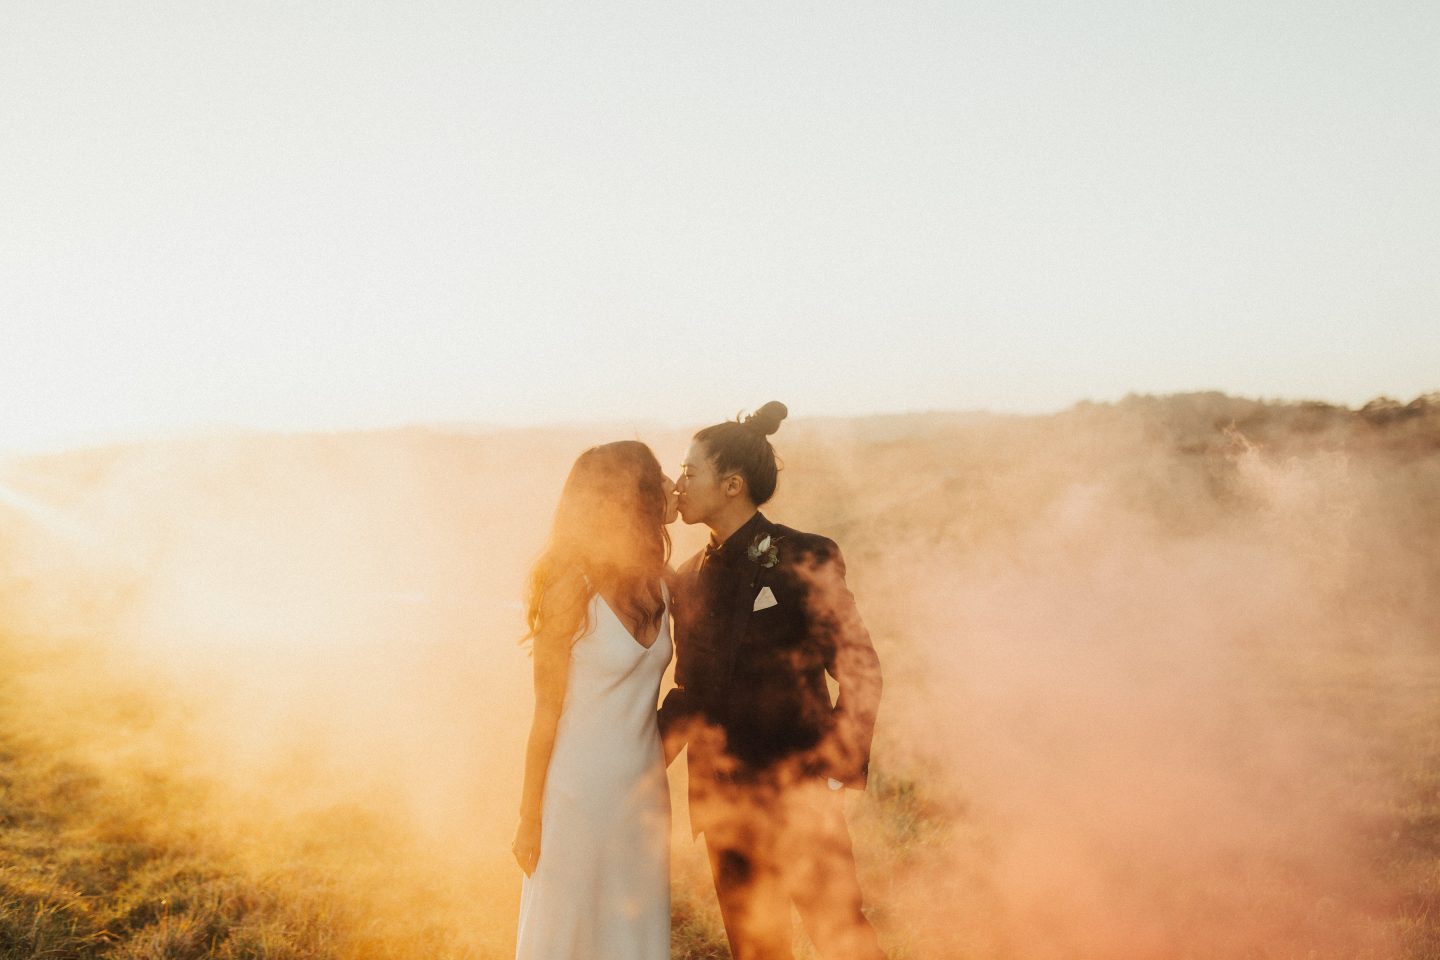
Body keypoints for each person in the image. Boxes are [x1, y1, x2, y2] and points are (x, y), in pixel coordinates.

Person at [660, 402, 886, 960]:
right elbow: (690, 693)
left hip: (802, 793)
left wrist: (837, 769)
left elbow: (859, 665)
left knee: (842, 938)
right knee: (756, 951)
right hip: (724, 804)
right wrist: (628, 761)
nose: (679, 485)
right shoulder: (686, 579)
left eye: (690, 473)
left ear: (732, 484)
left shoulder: (804, 554)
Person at [512, 440, 679, 960]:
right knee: (567, 933)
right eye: (658, 479)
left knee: (635, 931)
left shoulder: (661, 584)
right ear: (633, 497)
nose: (670, 485)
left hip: (644, 793)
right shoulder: (569, 590)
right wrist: (529, 816)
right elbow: (545, 713)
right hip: (577, 792)